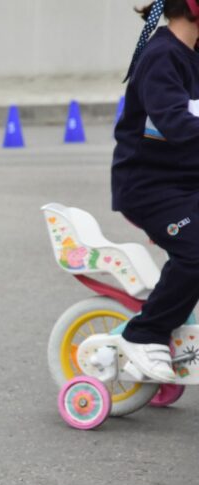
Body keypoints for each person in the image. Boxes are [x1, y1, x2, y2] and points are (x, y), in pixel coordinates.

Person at [112, 0, 199, 382]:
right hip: (150, 187)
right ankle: (144, 333)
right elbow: (177, 124)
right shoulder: (162, 56)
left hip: (185, 182)